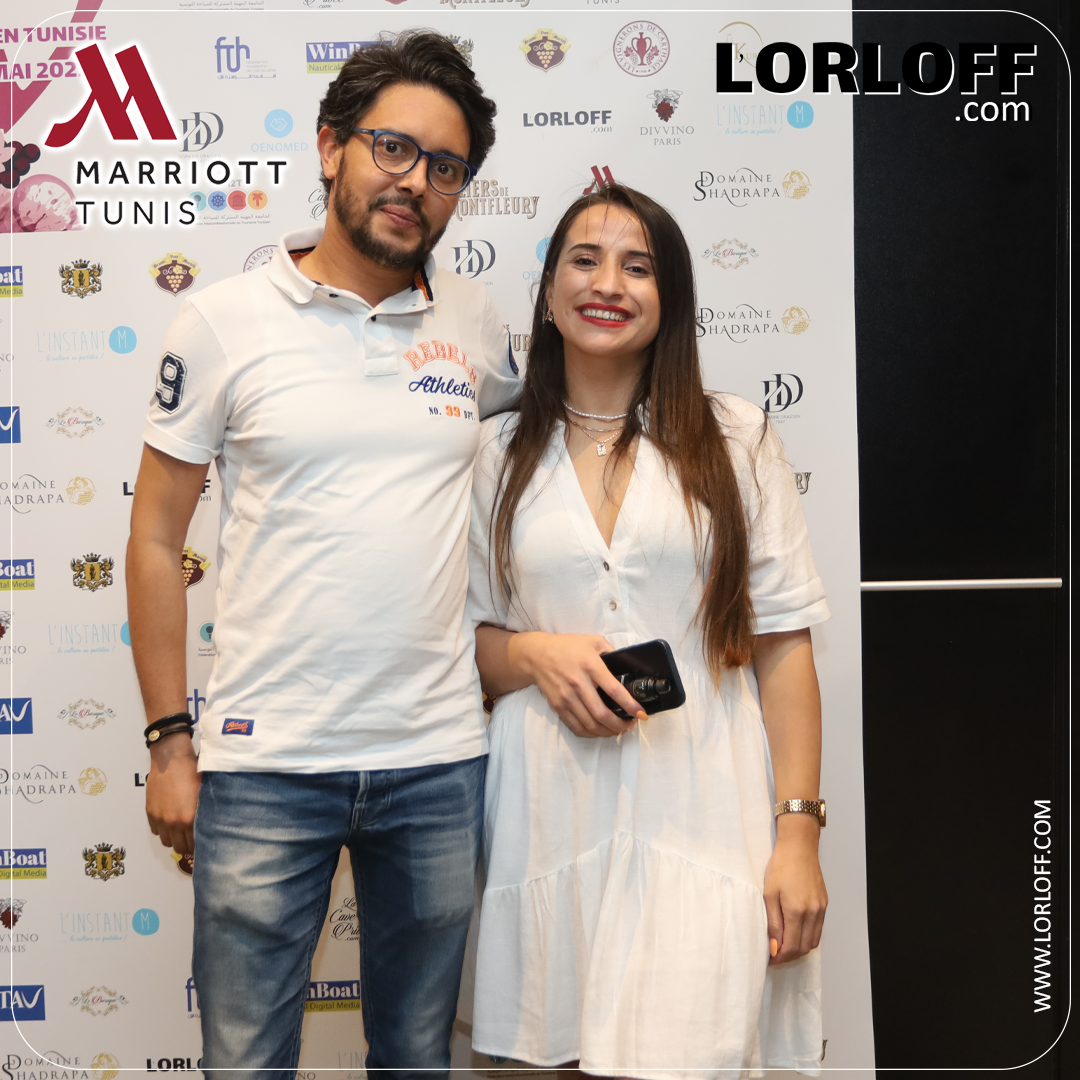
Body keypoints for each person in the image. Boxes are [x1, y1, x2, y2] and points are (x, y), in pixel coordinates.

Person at [125, 31, 518, 1080]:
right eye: (395, 148)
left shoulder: (476, 322)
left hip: (437, 760)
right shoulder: (222, 321)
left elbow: (533, 477)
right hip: (265, 766)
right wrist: (169, 744)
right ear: (332, 145)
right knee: (245, 1063)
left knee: (416, 1059)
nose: (416, 182)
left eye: (446, 167)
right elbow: (155, 540)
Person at [466, 184, 829, 1077]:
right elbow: (460, 648)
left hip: (701, 809)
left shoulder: (736, 439)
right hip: (544, 813)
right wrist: (532, 654)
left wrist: (798, 835)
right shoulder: (491, 455)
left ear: (672, 299)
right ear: (548, 291)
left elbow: (783, 646)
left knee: (696, 1047)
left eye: (638, 267)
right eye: (584, 260)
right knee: (545, 1055)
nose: (607, 284)